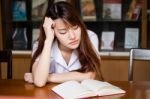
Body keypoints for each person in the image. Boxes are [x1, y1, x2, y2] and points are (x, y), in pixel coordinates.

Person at [24, 1, 103, 87]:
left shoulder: (90, 37)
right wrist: (49, 40)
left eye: (75, 28)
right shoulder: (42, 44)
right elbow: (39, 82)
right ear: (52, 31)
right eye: (63, 32)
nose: (72, 36)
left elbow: (90, 75)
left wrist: (48, 77)